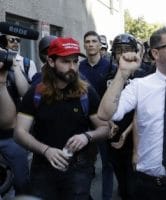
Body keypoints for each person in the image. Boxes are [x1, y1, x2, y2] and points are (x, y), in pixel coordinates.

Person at [97, 26, 166, 200]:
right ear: (155, 53)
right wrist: (122, 74)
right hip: (148, 187)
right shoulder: (138, 86)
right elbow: (105, 114)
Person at [14, 37, 109, 200]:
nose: (72, 67)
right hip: (43, 169)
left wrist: (87, 136)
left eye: (75, 61)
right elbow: (19, 133)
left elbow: (105, 128)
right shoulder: (36, 92)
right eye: (65, 62)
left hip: (79, 169)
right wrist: (46, 150)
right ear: (51, 61)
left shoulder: (86, 92)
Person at [79, 30, 115, 200]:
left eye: (94, 41)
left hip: (105, 121)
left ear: (100, 45)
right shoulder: (79, 67)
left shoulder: (110, 68)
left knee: (107, 164)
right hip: (84, 122)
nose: (91, 44)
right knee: (85, 164)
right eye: (88, 41)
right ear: (84, 45)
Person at [106, 33, 139, 200]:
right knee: (123, 187)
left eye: (127, 50)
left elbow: (144, 112)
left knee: (135, 188)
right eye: (119, 50)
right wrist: (110, 123)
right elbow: (104, 106)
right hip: (114, 139)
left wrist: (126, 133)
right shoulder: (108, 75)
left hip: (136, 141)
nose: (123, 54)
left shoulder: (143, 75)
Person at [0, 38, 31, 195]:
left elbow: (25, 93)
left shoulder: (9, 69)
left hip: (10, 137)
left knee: (21, 182)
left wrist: (13, 66)